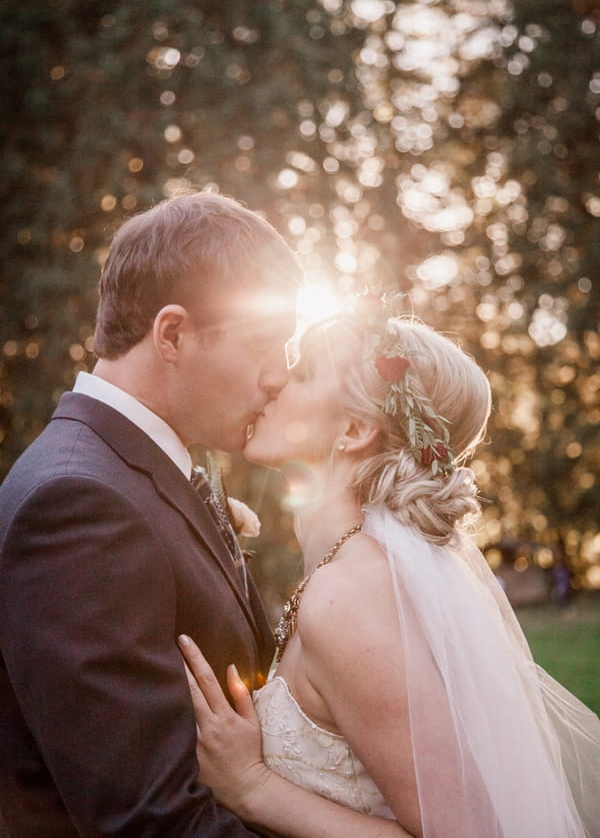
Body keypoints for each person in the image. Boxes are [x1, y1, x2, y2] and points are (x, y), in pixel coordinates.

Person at [180, 298, 600, 838]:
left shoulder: (346, 597)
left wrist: (253, 787)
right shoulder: (353, 572)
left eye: (302, 373)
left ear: (354, 430)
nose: (273, 381)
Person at [0, 191, 302, 836]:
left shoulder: (137, 471)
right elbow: (151, 820)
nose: (278, 377)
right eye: (263, 345)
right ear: (172, 334)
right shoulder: (79, 505)